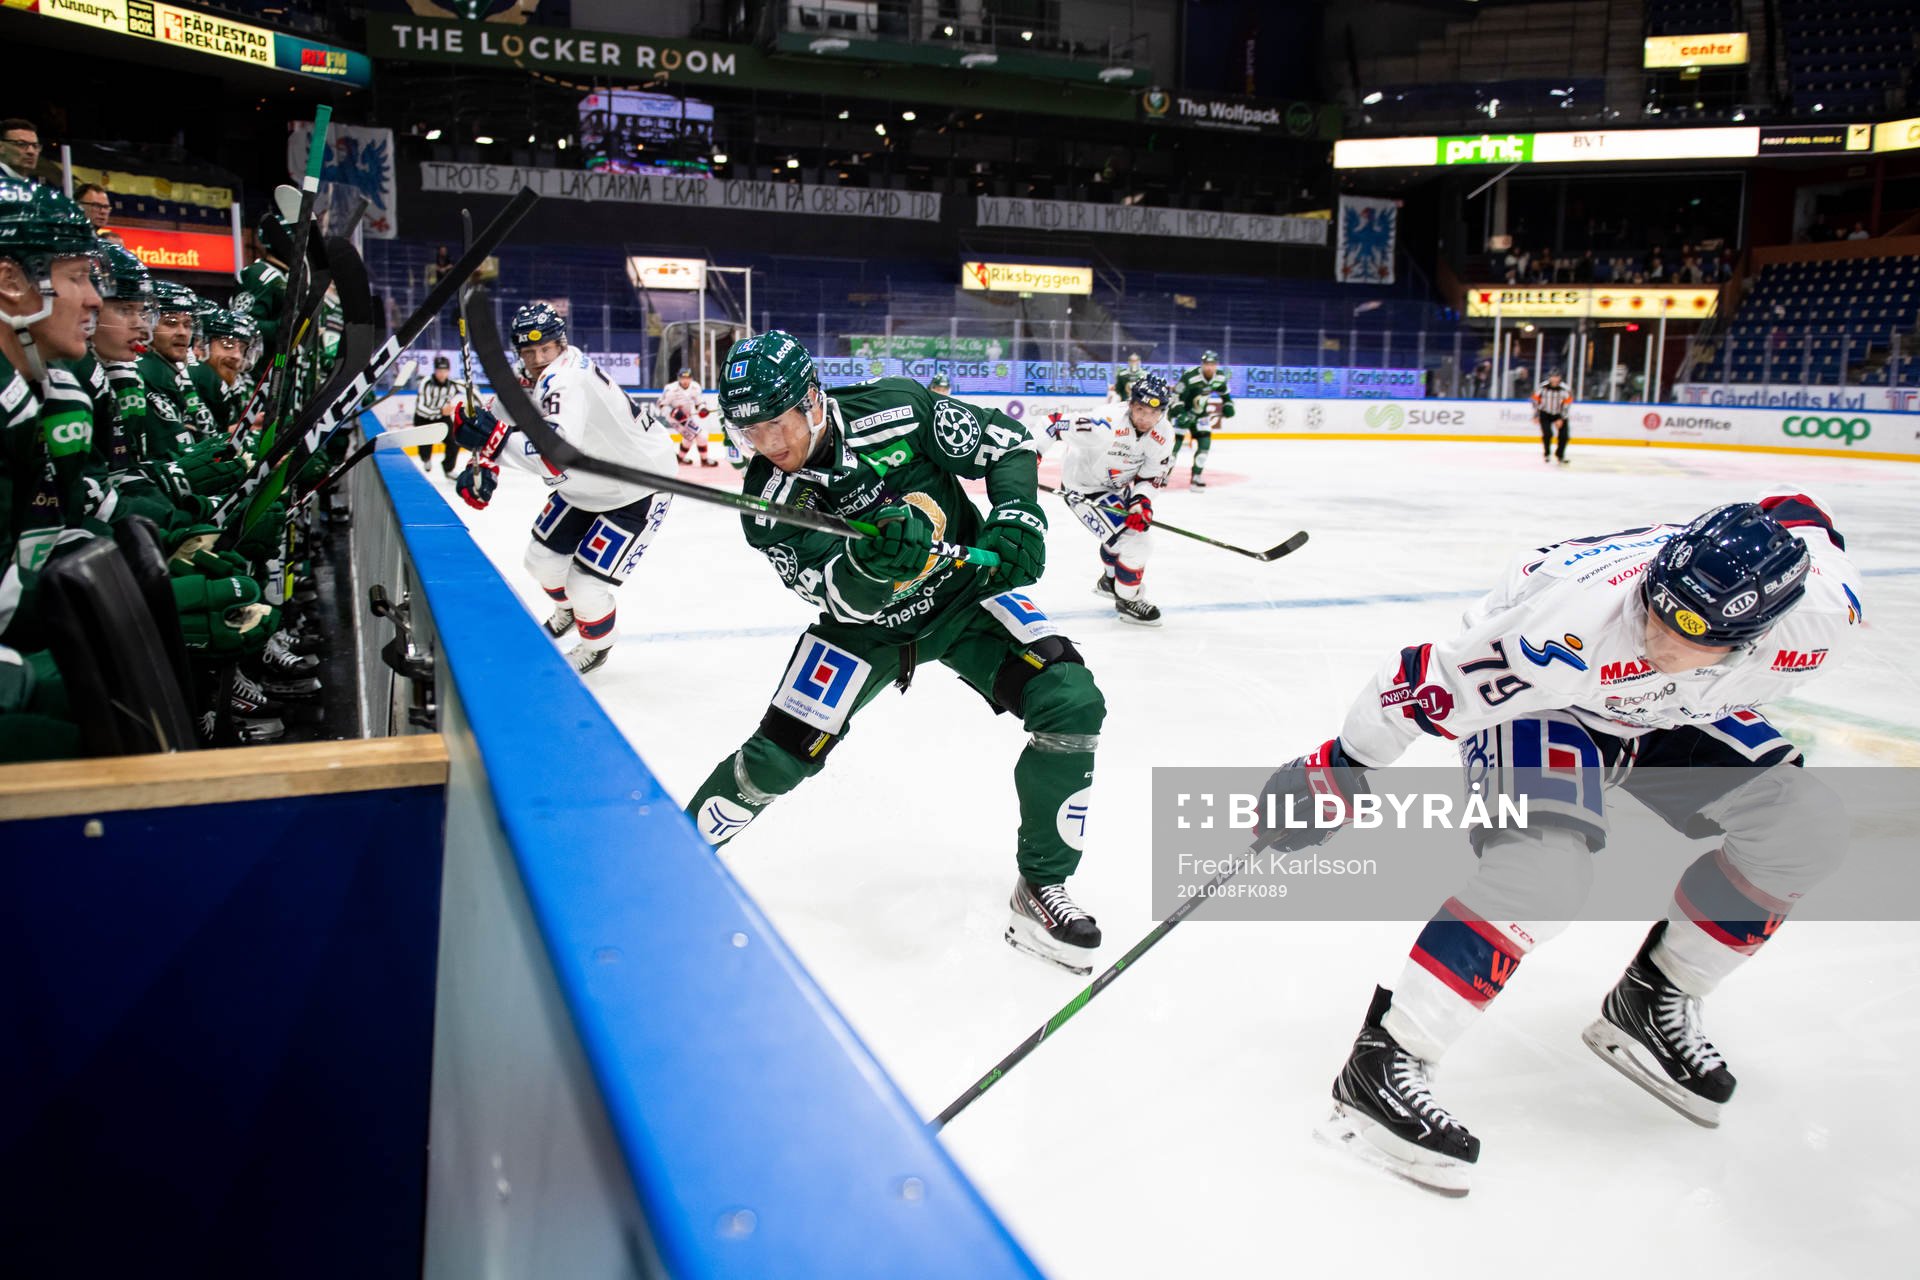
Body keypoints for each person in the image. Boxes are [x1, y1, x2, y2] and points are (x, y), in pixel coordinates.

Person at [1259, 498, 1861, 1195]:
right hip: (1549, 703)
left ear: (1760, 628)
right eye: (1658, 602)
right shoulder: (1569, 627)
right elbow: (1418, 683)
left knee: (1805, 829)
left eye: (1690, 626)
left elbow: (1803, 517)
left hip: (1669, 713)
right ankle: (1384, 1063)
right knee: (1543, 875)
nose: (1658, 632)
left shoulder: (1826, 614)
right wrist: (1340, 764)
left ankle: (1653, 1000)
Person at [682, 329, 1110, 974]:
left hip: (967, 598)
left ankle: (1040, 886)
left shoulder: (900, 408)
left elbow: (1008, 444)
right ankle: (671, 861)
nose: (769, 446)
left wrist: (1018, 515)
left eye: (777, 425)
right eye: (749, 432)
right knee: (777, 759)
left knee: (1071, 700)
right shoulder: (767, 505)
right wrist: (870, 564)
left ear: (813, 399)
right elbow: (838, 600)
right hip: (867, 630)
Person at [453, 301, 678, 675]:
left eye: (547, 349)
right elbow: (497, 421)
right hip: (585, 485)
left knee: (586, 586)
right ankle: (568, 611)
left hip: (636, 486)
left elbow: (555, 453)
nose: (539, 358)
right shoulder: (529, 376)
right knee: (540, 562)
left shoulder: (566, 379)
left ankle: (597, 646)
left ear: (561, 344)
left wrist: (491, 442)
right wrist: (483, 463)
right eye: (529, 351)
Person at [1040, 372, 1174, 625]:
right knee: (1137, 544)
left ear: (1163, 412)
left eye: (1153, 413)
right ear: (1130, 404)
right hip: (1083, 489)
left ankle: (1109, 581)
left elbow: (1154, 473)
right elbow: (1053, 424)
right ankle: (1127, 600)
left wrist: (1141, 500)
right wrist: (1030, 456)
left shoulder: (1164, 434)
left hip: (1115, 487)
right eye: (1140, 409)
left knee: (1121, 537)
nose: (1146, 418)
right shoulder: (1105, 422)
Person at [1170, 349, 1233, 489]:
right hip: (1182, 413)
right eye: (1206, 364)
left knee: (1205, 445)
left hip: (1200, 415)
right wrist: (1180, 414)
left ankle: (1196, 476)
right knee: (1173, 448)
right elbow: (1175, 398)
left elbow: (1225, 394)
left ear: (1217, 365)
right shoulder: (1190, 377)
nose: (1209, 367)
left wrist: (1228, 404)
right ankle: (1162, 475)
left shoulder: (1220, 378)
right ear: (1202, 364)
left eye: (1212, 364)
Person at [412, 355, 465, 476]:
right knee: (425, 443)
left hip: (442, 417)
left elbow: (471, 389)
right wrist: (441, 411)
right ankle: (426, 458)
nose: (442, 374)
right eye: (439, 371)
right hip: (423, 418)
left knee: (454, 441)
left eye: (445, 371)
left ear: (448, 371)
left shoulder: (453, 384)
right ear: (435, 371)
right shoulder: (426, 383)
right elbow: (420, 408)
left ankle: (448, 468)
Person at [657, 365, 714, 467]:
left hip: (687, 417)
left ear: (691, 378)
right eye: (683, 378)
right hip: (673, 419)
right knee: (702, 435)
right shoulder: (670, 389)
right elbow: (661, 404)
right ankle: (704, 460)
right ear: (678, 378)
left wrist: (702, 409)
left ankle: (680, 459)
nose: (685, 381)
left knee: (689, 438)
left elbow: (699, 402)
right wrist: (673, 412)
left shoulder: (695, 387)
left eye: (687, 378)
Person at [1532, 368, 1572, 464]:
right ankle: (1547, 454)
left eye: (1556, 377)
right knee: (1547, 434)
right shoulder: (1542, 387)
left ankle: (1560, 455)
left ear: (1560, 378)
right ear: (1549, 378)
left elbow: (1567, 404)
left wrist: (1561, 418)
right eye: (1552, 377)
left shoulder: (1565, 389)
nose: (1554, 379)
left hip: (1559, 413)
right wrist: (1536, 414)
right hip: (1545, 412)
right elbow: (1535, 400)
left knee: (1564, 436)